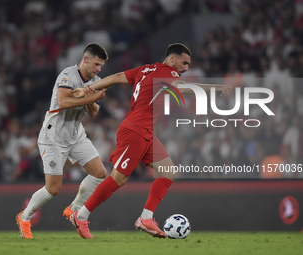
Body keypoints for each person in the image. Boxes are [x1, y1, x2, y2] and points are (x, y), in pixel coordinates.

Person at [70, 43, 232, 239]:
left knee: (168, 171)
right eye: (184, 63)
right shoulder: (166, 73)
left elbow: (114, 78)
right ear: (172, 59)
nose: (186, 68)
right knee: (118, 178)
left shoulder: (145, 70)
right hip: (135, 131)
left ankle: (146, 218)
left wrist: (88, 87)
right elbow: (186, 88)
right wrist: (216, 88)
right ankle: (81, 215)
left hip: (146, 132)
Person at [16, 43, 109, 239]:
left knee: (100, 174)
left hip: (75, 134)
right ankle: (24, 217)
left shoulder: (97, 80)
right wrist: (86, 95)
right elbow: (64, 101)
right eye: (96, 64)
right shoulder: (67, 75)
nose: (98, 69)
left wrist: (90, 98)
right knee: (53, 189)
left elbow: (94, 113)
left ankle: (74, 210)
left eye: (101, 66)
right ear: (85, 60)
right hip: (53, 137)